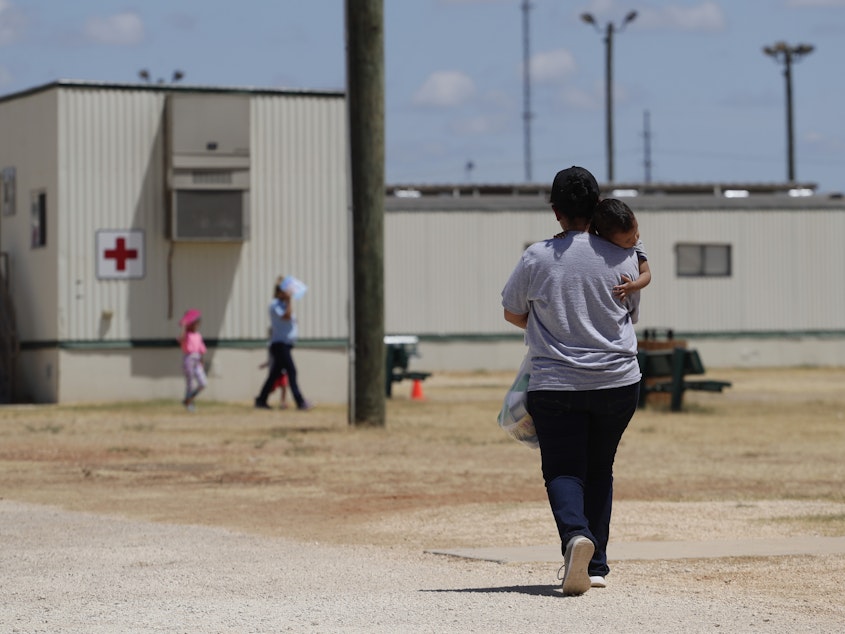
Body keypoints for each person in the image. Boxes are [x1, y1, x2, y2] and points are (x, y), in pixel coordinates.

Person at [501, 166, 641, 596]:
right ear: (597, 206)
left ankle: (575, 537)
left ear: (556, 211)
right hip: (618, 380)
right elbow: (629, 315)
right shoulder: (625, 256)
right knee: (601, 466)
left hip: (556, 382)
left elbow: (511, 311)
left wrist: (542, 324)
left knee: (563, 468)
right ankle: (596, 566)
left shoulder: (537, 256)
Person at [255, 277, 313, 411]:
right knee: (292, 371)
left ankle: (261, 400)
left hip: (286, 344)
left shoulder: (283, 304)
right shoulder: (275, 305)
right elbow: (286, 316)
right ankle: (300, 401)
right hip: (280, 344)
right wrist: (289, 301)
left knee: (274, 375)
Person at [589, 197, 651, 301]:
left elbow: (646, 273)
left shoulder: (636, 247)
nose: (635, 239)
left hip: (629, 310)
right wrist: (566, 235)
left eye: (636, 232)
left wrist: (634, 286)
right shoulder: (598, 242)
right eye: (628, 240)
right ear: (606, 238)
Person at [179, 308, 207, 412]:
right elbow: (181, 339)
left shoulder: (198, 335)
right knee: (190, 383)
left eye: (198, 323)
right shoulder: (186, 335)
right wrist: (183, 326)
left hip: (197, 360)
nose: (197, 325)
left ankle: (188, 399)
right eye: (195, 323)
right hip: (189, 360)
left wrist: (202, 360)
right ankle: (189, 403)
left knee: (203, 383)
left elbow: (201, 350)